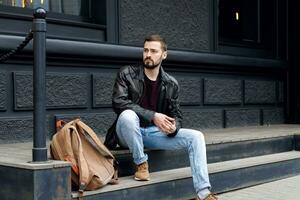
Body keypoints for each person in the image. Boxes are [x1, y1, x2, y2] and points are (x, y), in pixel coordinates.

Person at [105, 34, 218, 200]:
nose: (148, 54)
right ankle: (141, 163)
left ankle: (204, 193)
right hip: (126, 133)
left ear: (164, 54)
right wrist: (153, 116)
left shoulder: (171, 83)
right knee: (128, 115)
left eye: (153, 51)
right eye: (145, 50)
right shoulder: (127, 73)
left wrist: (173, 127)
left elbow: (177, 116)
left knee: (196, 137)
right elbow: (119, 103)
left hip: (152, 134)